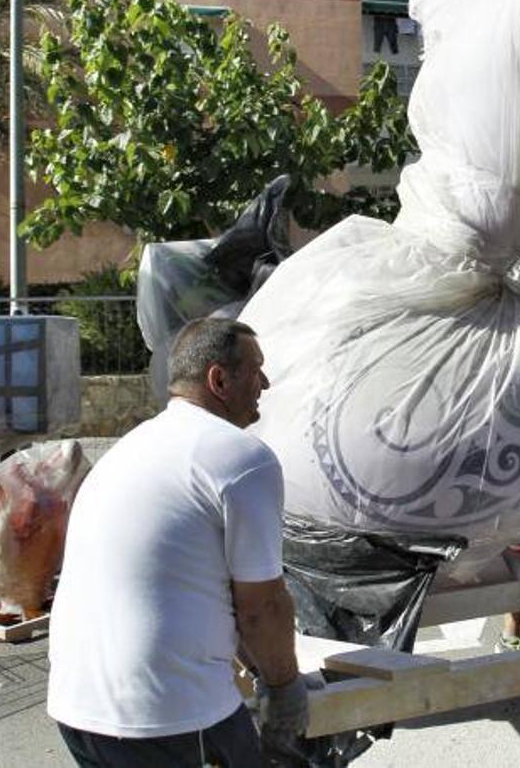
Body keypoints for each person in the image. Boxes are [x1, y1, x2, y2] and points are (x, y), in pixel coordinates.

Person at [48, 317, 311, 766]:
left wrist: (260, 667)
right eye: (256, 369)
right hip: (167, 715)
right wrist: (285, 687)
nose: (265, 382)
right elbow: (259, 607)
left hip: (77, 706)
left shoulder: (129, 449)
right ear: (219, 379)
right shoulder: (242, 458)